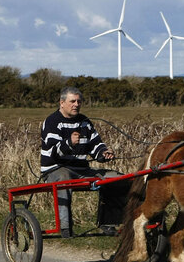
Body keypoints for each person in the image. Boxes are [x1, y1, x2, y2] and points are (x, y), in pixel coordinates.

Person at [40, 86, 128, 238]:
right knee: (64, 178)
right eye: (72, 101)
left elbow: (95, 144)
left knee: (117, 178)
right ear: (62, 103)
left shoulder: (84, 122)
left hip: (81, 170)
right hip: (55, 169)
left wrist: (103, 153)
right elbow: (53, 152)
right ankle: (65, 228)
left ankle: (109, 224)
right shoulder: (52, 122)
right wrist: (69, 143)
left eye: (79, 101)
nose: (76, 105)